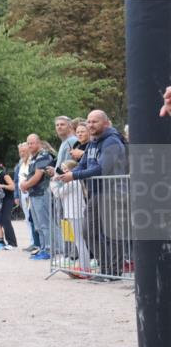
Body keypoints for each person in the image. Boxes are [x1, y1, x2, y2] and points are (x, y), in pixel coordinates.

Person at [59, 109, 128, 280]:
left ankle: (113, 272)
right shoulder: (92, 142)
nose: (90, 125)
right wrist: (68, 173)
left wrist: (74, 176)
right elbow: (82, 165)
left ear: (105, 123)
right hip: (95, 193)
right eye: (88, 121)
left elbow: (102, 168)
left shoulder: (112, 141)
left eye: (94, 122)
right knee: (88, 231)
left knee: (112, 235)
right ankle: (104, 268)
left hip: (112, 193)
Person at [51, 159, 90, 277]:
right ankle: (84, 266)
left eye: (66, 170)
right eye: (62, 169)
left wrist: (53, 181)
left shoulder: (72, 182)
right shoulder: (71, 182)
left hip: (75, 213)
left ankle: (85, 269)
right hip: (73, 213)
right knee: (79, 241)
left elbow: (58, 193)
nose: (63, 172)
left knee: (80, 241)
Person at [20, 134, 54, 261]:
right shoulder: (33, 157)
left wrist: (25, 185)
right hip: (34, 194)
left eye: (32, 143)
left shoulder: (43, 156)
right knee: (38, 225)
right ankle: (43, 247)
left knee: (44, 223)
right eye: (28, 143)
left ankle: (49, 249)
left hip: (41, 193)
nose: (30, 146)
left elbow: (38, 175)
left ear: (38, 143)